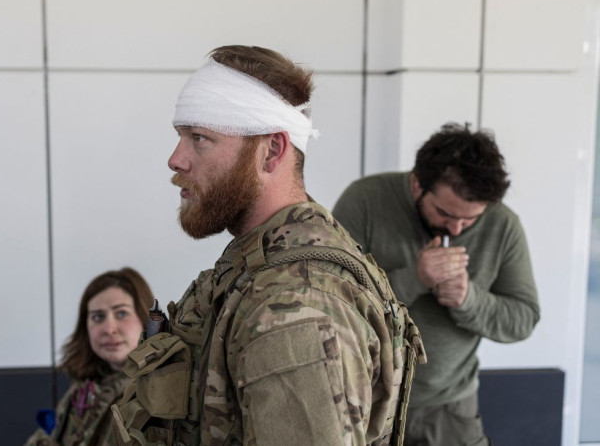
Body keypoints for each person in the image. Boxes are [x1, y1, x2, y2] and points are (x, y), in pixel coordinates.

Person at [108, 45, 424, 446]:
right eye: (180, 136)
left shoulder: (297, 305)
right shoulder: (260, 264)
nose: (176, 159)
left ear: (272, 151)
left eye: (199, 138)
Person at [332, 123, 540, 446]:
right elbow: (332, 305)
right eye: (445, 213)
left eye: (470, 220)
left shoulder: (504, 225)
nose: (456, 227)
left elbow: (523, 319)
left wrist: (468, 299)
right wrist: (414, 279)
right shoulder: (365, 201)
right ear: (417, 185)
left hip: (452, 408)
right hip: (365, 403)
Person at [24, 267, 154, 446]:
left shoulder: (159, 393)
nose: (109, 329)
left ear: (144, 317)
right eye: (98, 317)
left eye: (121, 313)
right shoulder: (86, 386)